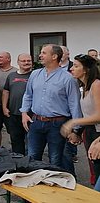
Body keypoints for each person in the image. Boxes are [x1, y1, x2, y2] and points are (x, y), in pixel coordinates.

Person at [20, 44, 82, 170]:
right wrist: (24, 113)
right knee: (32, 157)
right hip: (36, 122)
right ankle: (34, 186)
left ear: (54, 56)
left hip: (57, 124)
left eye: (43, 53)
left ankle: (54, 185)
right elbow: (28, 95)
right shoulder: (35, 74)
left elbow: (74, 104)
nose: (40, 55)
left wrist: (76, 130)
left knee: (55, 159)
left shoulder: (68, 79)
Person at [60, 54, 100, 189]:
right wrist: (77, 131)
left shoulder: (96, 85)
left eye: (76, 66)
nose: (72, 68)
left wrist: (72, 122)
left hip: (97, 133)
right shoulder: (83, 87)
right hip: (89, 132)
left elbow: (98, 116)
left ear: (86, 70)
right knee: (94, 170)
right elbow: (87, 113)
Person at [2, 53, 33, 155]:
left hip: (31, 115)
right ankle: (19, 162)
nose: (26, 63)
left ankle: (30, 163)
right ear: (18, 62)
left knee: (30, 142)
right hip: (14, 114)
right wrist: (4, 107)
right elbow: (6, 92)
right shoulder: (11, 76)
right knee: (16, 141)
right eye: (23, 61)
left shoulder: (35, 75)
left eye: (28, 61)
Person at [0, 52, 17, 150]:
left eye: (1, 57)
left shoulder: (15, 72)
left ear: (8, 59)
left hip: (10, 106)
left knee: (12, 129)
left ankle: (14, 149)